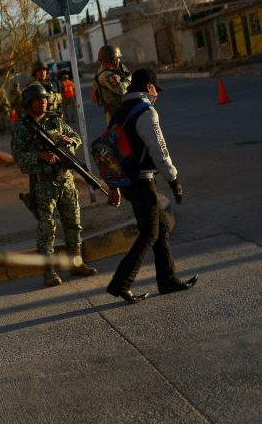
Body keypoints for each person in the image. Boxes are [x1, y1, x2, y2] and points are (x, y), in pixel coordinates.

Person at [104, 69, 198, 303]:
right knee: (150, 233)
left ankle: (167, 280)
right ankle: (120, 284)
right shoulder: (145, 112)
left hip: (127, 180)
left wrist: (113, 185)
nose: (157, 95)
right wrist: (173, 179)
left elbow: (109, 151)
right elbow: (159, 149)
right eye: (156, 89)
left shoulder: (119, 113)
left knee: (161, 229)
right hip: (142, 180)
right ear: (149, 87)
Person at [11, 83, 97, 287]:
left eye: (45, 98)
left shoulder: (55, 120)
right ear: (28, 103)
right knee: (47, 228)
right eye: (38, 99)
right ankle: (49, 271)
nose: (43, 101)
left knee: (73, 223)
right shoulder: (23, 128)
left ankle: (76, 263)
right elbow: (18, 156)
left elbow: (76, 137)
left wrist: (70, 141)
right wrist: (40, 155)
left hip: (65, 180)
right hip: (43, 184)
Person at [92, 45, 131, 123]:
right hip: (114, 111)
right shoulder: (107, 75)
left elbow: (125, 72)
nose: (119, 60)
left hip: (120, 108)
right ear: (111, 60)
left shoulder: (111, 68)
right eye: (118, 58)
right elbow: (121, 89)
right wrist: (129, 79)